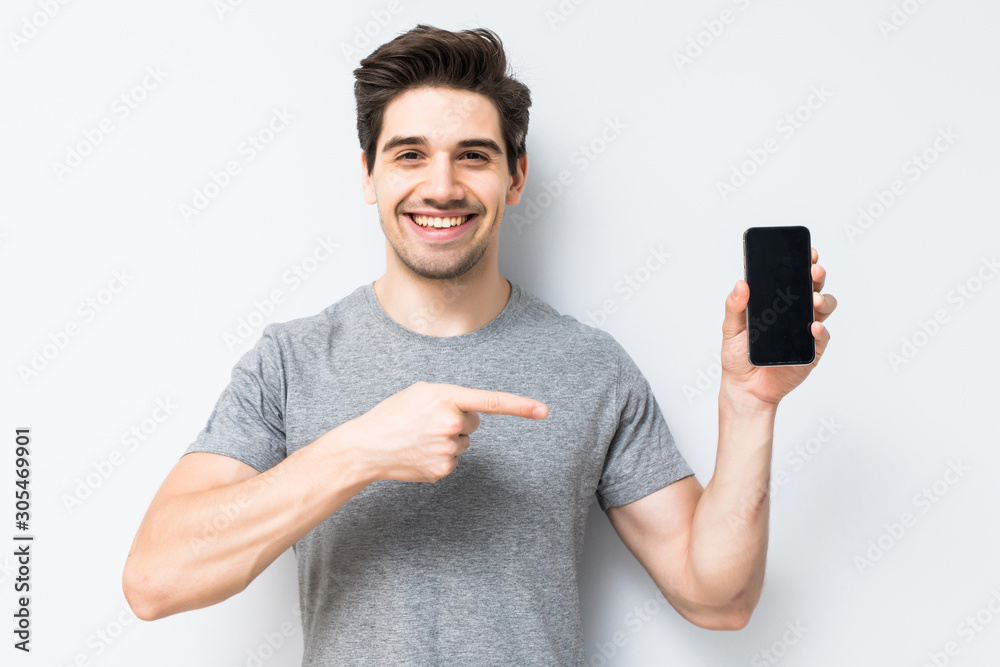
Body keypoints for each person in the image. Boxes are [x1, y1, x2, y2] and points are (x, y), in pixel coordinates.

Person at [121, 23, 837, 666]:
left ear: (514, 177)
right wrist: (363, 448)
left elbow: (719, 598)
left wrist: (749, 406)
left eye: (473, 155)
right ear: (368, 174)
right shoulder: (290, 361)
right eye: (409, 154)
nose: (441, 186)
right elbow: (155, 579)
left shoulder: (591, 367)